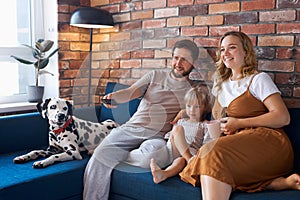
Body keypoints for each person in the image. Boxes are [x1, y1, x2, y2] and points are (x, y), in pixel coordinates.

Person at [179, 31, 300, 200]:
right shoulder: (220, 84)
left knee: (210, 153)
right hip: (238, 142)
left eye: (232, 48)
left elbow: (283, 117)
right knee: (208, 154)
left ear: (245, 51)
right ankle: (275, 183)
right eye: (222, 50)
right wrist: (185, 113)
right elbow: (215, 118)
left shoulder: (258, 79)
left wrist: (239, 123)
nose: (225, 54)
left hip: (268, 142)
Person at [83, 39, 202, 200]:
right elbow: (131, 92)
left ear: (193, 62)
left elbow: (198, 111)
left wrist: (184, 112)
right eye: (175, 58)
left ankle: (112, 153)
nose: (178, 63)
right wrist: (115, 97)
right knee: (99, 159)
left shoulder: (193, 90)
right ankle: (106, 154)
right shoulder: (155, 76)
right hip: (132, 129)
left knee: (151, 158)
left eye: (184, 59)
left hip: (159, 136)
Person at [150, 87, 211, 184]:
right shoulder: (181, 121)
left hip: (190, 152)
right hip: (174, 149)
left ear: (205, 108)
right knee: (178, 129)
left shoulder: (205, 125)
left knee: (181, 161)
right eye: (189, 106)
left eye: (197, 107)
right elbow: (170, 136)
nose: (192, 110)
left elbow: (206, 145)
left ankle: (163, 174)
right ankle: (190, 160)